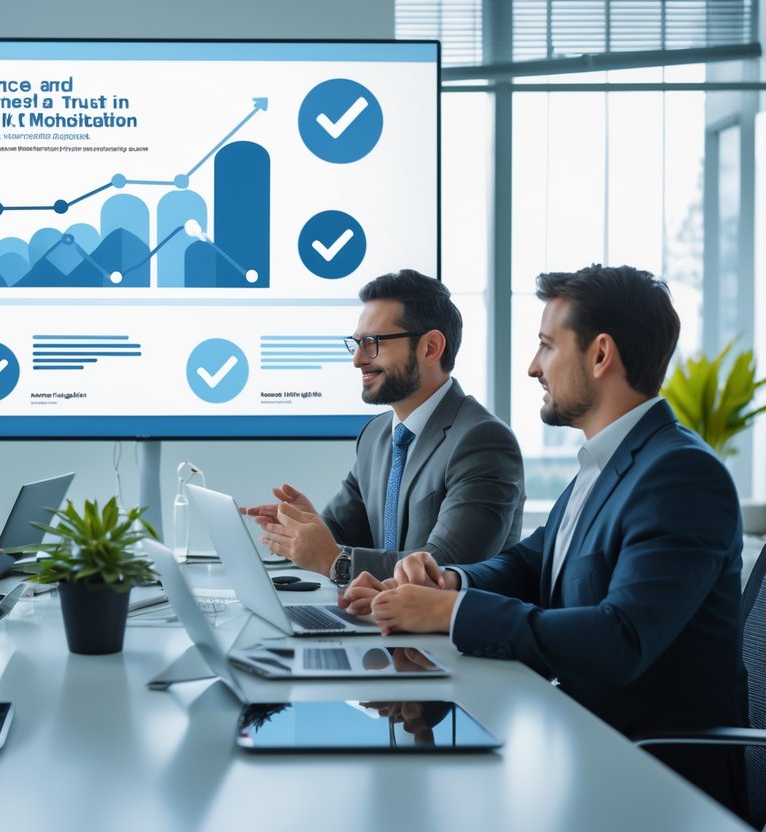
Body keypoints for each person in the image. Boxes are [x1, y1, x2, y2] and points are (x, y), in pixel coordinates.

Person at [343, 265, 746, 814]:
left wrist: (451, 614)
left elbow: (620, 639)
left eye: (546, 346)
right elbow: (532, 566)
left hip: (647, 779)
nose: (533, 367)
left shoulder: (679, 475)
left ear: (600, 355)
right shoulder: (604, 463)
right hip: (576, 738)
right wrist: (449, 580)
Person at [242, 270, 525, 582]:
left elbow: (441, 569)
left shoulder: (482, 440)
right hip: (380, 623)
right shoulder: (375, 435)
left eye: (373, 342)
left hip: (446, 630)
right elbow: (343, 532)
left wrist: (337, 562)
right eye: (357, 343)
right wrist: (307, 525)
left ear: (430, 348)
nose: (358, 359)